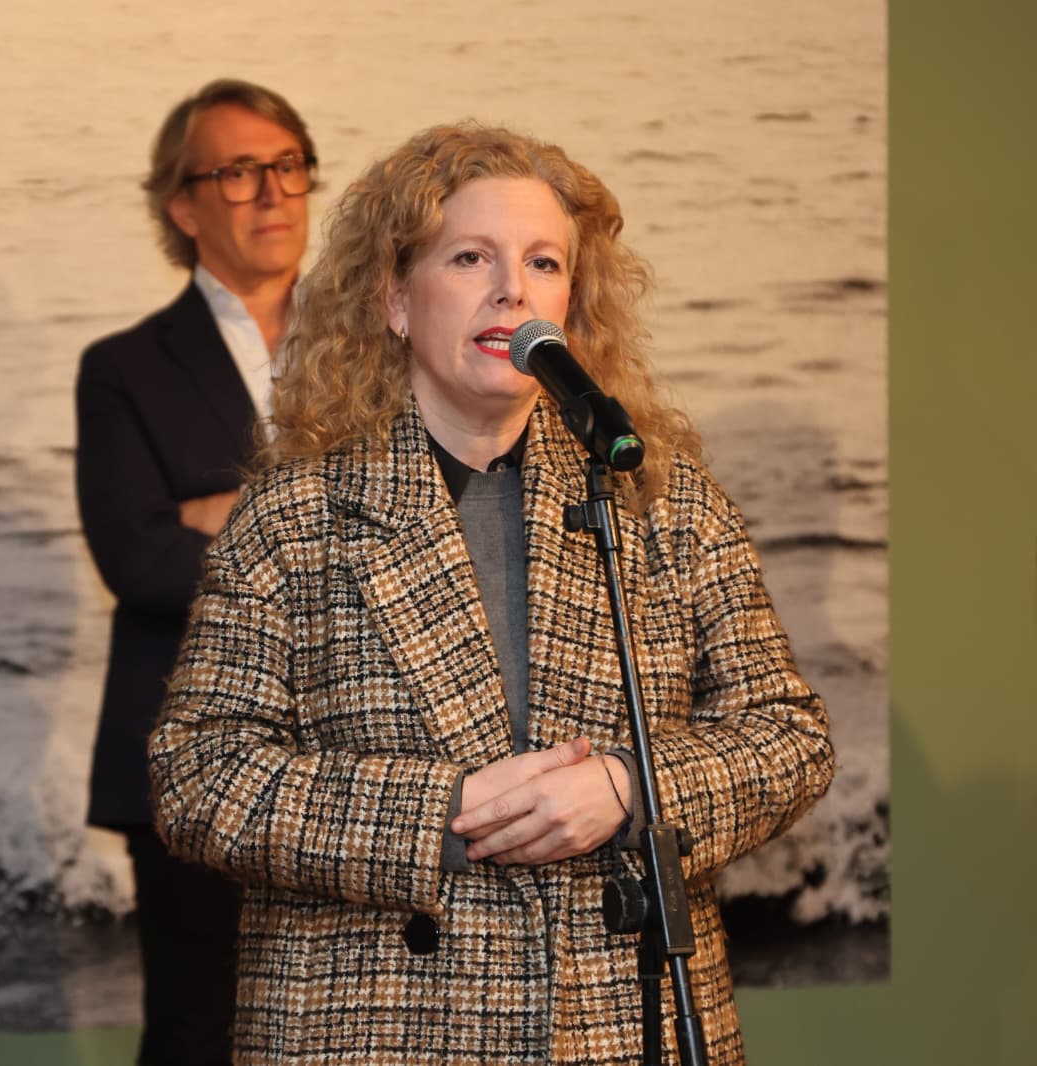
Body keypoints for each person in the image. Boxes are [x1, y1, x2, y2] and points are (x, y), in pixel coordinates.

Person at [148, 123, 834, 1065]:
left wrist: (629, 789)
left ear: (570, 305)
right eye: (470, 257)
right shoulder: (294, 516)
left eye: (543, 262)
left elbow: (791, 739)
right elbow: (200, 777)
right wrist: (447, 814)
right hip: (371, 1033)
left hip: (614, 1027)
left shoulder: (661, 502)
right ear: (396, 300)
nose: (512, 288)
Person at [75, 78, 317, 1064]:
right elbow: (139, 561)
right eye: (240, 171)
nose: (274, 191)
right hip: (191, 750)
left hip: (362, 751)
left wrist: (222, 515)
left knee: (357, 1025)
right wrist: (305, 532)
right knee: (199, 1032)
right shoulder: (124, 367)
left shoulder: (381, 347)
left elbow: (421, 525)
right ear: (183, 206)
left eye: (289, 165)